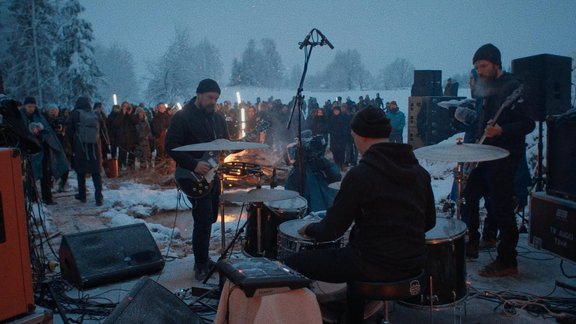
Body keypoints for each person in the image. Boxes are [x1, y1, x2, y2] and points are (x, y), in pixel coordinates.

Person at [284, 107, 436, 283]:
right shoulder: (420, 173)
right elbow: (429, 221)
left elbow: (331, 231)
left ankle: (351, 311)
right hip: (414, 264)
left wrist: (310, 228)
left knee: (292, 263)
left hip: (371, 265)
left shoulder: (360, 174)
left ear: (363, 136)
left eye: (353, 135)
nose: (354, 140)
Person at [465, 44, 535, 277]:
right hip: (484, 153)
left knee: (502, 206)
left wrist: (502, 129)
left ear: (496, 63)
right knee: (470, 194)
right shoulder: (488, 87)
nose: (480, 71)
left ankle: (507, 260)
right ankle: (472, 241)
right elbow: (484, 121)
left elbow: (528, 124)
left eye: (483, 66)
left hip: (505, 156)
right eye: (476, 67)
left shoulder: (513, 87)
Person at [165, 79, 229, 281]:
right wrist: (193, 164)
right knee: (202, 219)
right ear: (199, 94)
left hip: (212, 174)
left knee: (210, 218)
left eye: (216, 98)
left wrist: (237, 146)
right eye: (210, 97)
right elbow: (171, 145)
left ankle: (204, 257)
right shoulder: (182, 117)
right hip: (192, 175)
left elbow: (225, 143)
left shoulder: (217, 118)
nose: (213, 102)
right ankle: (200, 264)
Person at [20, 97, 69, 205]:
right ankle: (33, 199)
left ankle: (47, 198)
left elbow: (47, 131)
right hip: (28, 151)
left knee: (45, 174)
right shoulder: (20, 117)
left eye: (33, 106)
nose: (31, 109)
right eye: (29, 106)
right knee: (29, 175)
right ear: (25, 106)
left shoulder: (39, 116)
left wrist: (41, 132)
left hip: (42, 149)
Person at [67, 97, 104, 206]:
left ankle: (82, 195)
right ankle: (99, 197)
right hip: (95, 148)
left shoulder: (75, 114)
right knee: (96, 174)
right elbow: (102, 131)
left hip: (80, 148)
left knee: (81, 173)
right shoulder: (96, 115)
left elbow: (69, 131)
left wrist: (70, 147)